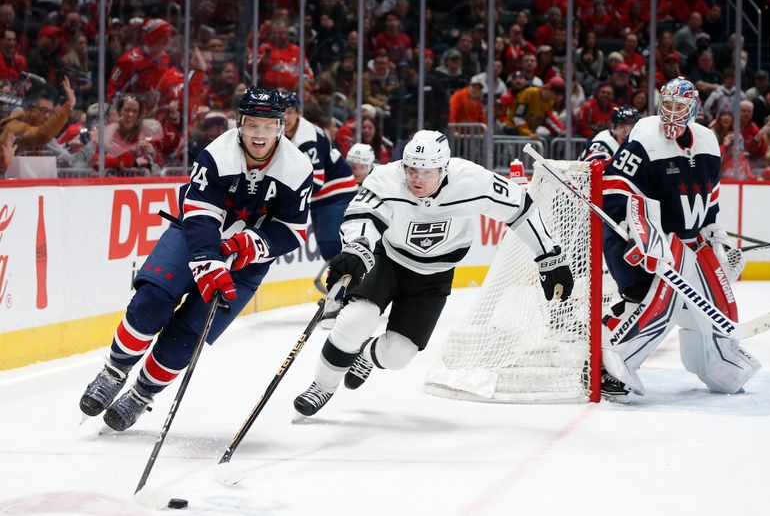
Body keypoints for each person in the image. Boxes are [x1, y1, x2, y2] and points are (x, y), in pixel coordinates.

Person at [78, 87, 313, 431]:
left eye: (267, 125)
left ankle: (142, 394)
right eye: (252, 125)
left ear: (280, 127)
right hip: (192, 239)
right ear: (240, 124)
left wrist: (254, 243)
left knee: (187, 337)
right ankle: (113, 371)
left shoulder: (297, 167)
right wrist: (208, 261)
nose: (259, 134)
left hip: (245, 264)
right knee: (152, 300)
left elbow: (292, 229)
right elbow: (200, 214)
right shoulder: (218, 154)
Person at [292, 130, 574, 417]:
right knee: (356, 319)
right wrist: (357, 246)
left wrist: (549, 256)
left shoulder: (472, 180)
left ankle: (365, 355)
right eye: (412, 169)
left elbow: (521, 208)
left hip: (434, 275)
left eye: (427, 172)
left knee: (397, 355)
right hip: (388, 259)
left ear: (444, 168)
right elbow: (362, 213)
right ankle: (322, 386)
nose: (417, 179)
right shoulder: (387, 178)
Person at [600, 77, 759, 403]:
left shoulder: (707, 141)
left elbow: (709, 206)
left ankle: (721, 365)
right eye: (667, 105)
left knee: (713, 305)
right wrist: (635, 233)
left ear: (694, 109)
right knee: (660, 301)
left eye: (680, 107)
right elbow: (615, 190)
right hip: (632, 240)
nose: (671, 114)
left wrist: (719, 240)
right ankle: (611, 365)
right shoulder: (644, 135)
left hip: (683, 248)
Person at [282, 91, 357, 263]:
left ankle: (347, 288)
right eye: (281, 112)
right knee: (328, 249)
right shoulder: (287, 133)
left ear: (298, 112)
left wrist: (287, 198)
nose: (285, 117)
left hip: (337, 193)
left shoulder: (306, 141)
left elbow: (316, 181)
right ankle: (345, 286)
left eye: (290, 111)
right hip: (322, 196)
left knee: (331, 247)